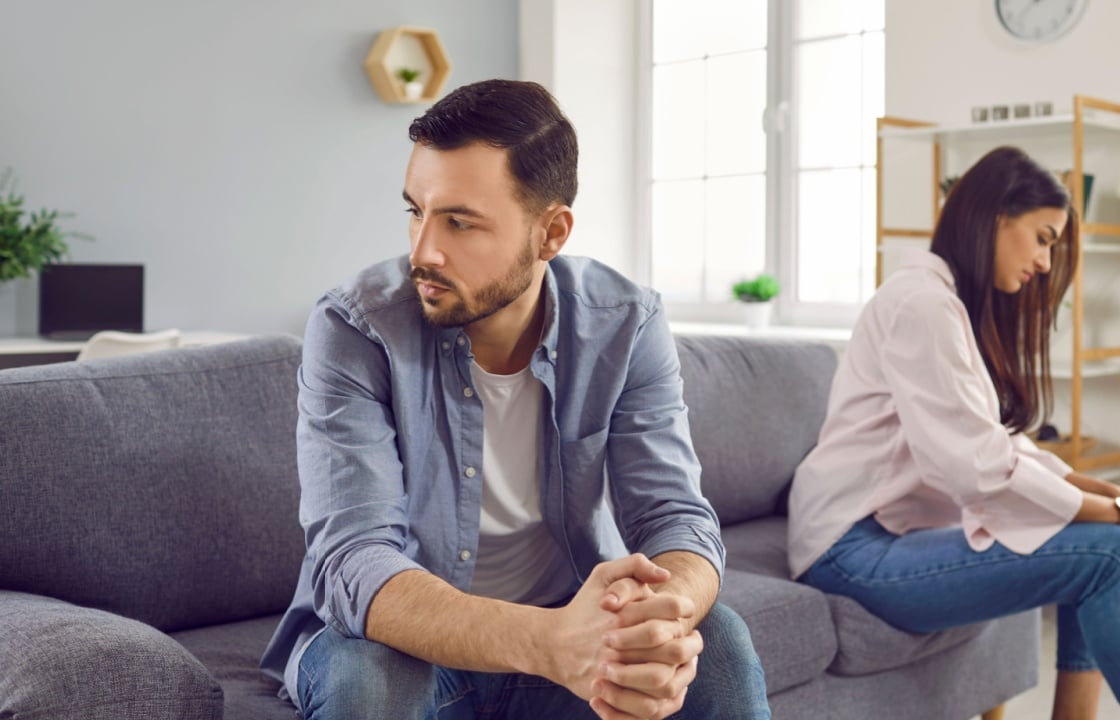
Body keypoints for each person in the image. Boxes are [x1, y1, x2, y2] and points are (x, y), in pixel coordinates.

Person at [261, 79, 770, 720]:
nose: (423, 251)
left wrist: (660, 621)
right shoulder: (355, 328)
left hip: (569, 631)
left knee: (718, 642)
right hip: (405, 649)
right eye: (416, 210)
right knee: (368, 685)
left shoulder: (625, 323)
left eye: (459, 222)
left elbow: (675, 517)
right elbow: (353, 560)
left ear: (550, 233)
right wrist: (547, 644)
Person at [788, 146, 1120, 720]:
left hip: (888, 537)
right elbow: (979, 472)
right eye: (1044, 238)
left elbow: (1001, 447)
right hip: (849, 550)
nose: (1047, 263)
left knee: (1102, 548)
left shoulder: (946, 304)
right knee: (1113, 551)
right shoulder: (923, 306)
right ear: (997, 216)